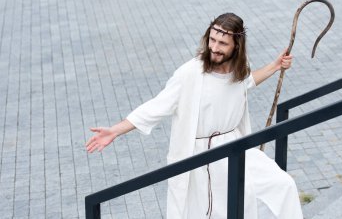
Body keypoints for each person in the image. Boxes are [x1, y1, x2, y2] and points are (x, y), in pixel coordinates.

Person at [86, 13, 303, 219]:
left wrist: (275, 67)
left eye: (222, 43)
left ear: (236, 46)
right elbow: (156, 106)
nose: (214, 48)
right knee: (209, 211)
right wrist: (115, 130)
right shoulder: (189, 74)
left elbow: (246, 83)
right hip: (199, 156)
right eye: (212, 40)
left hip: (236, 147)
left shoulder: (240, 69)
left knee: (282, 185)